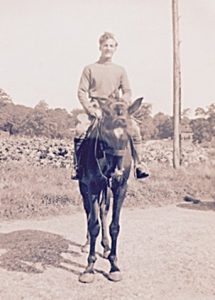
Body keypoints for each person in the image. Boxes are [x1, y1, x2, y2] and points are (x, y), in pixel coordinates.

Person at [71, 32, 149, 180]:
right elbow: (81, 92)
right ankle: (77, 166)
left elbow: (127, 91)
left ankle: (139, 164)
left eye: (111, 46)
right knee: (80, 129)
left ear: (115, 49)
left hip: (115, 111)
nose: (108, 48)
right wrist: (91, 110)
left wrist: (123, 104)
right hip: (97, 109)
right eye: (105, 45)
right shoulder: (90, 68)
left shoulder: (120, 70)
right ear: (100, 47)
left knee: (135, 129)